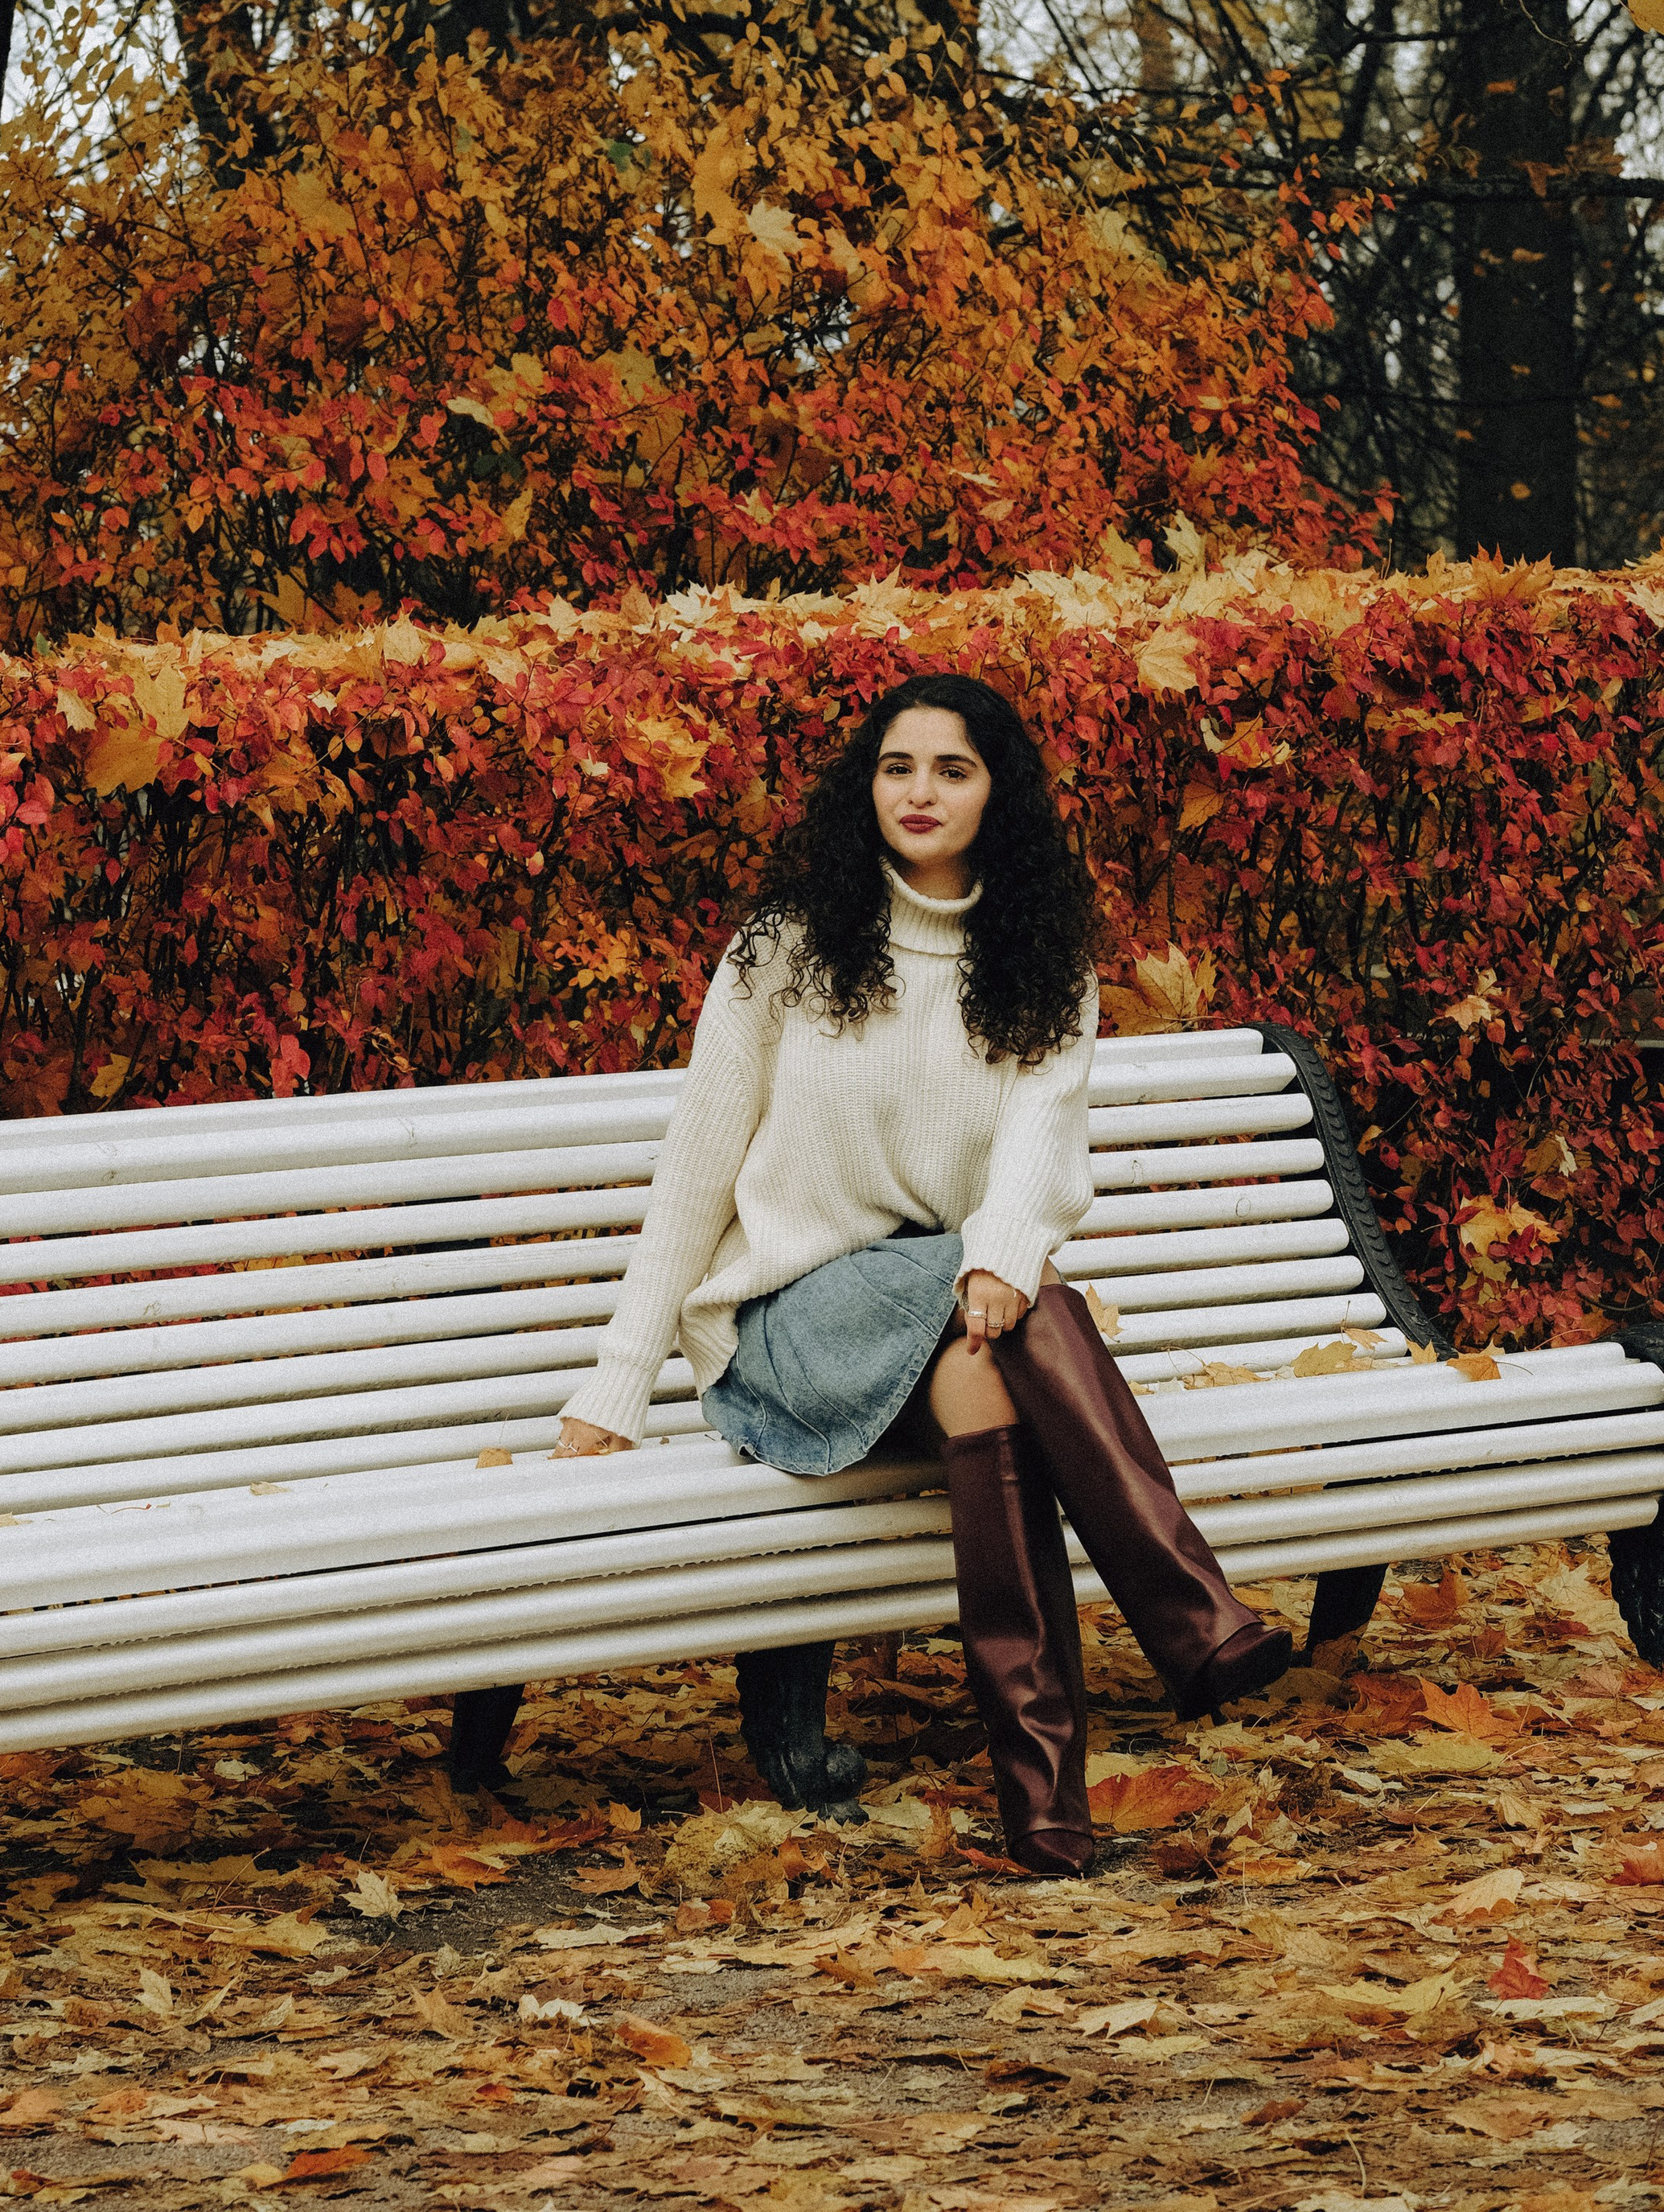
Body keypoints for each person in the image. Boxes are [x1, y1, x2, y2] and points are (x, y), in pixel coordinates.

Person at [549, 672, 1291, 1874]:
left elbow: (1042, 1139)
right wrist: (617, 1382)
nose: (922, 792)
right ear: (867, 783)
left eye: (954, 769)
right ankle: (1193, 1618)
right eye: (899, 766)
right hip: (793, 1323)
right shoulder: (785, 951)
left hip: (952, 1324)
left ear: (1000, 793)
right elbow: (698, 1167)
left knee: (991, 1376)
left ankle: (1044, 1808)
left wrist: (998, 1255)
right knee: (1029, 1302)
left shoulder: (1039, 960)